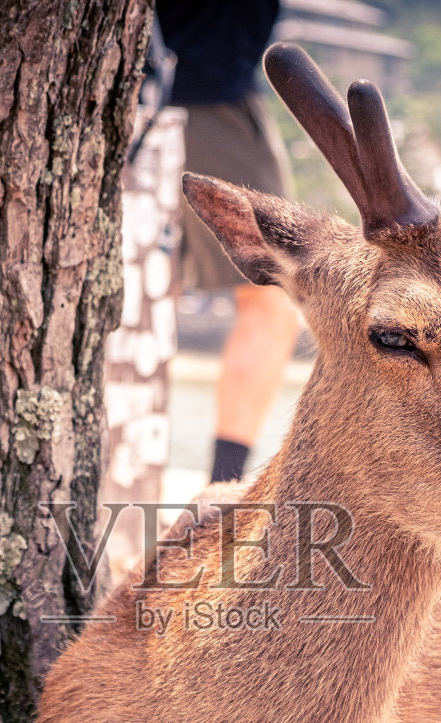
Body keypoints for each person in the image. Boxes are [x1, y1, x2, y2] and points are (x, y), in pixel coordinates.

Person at [156, 0, 304, 485]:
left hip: (125, 88)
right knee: (272, 297)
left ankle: (128, 462)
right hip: (208, 91)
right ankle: (223, 489)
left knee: (148, 288)